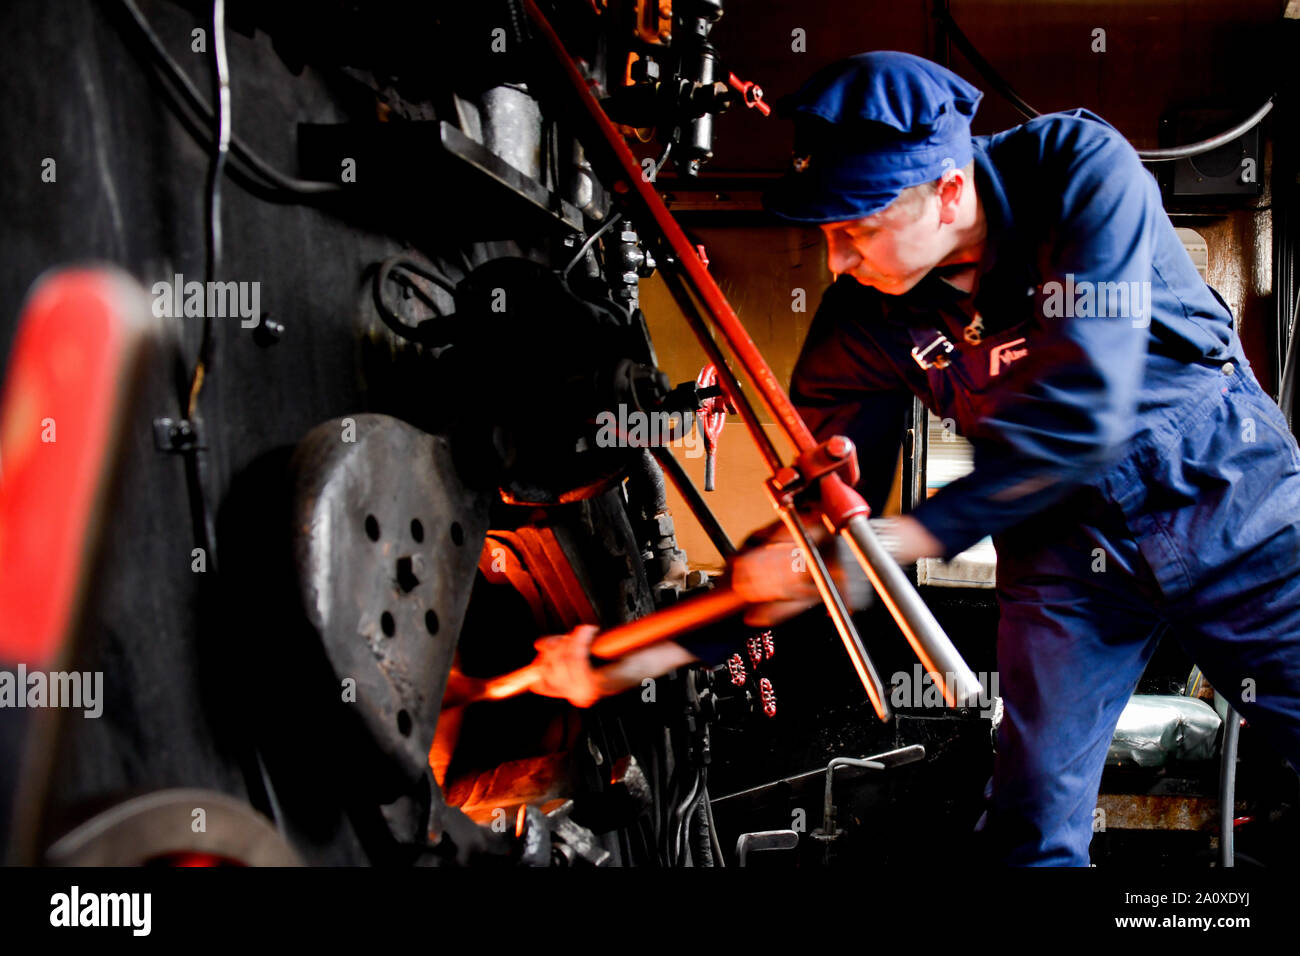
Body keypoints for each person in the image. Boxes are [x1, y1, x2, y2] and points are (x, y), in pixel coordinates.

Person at [763, 50, 1300, 865]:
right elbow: (828, 523)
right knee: (1028, 829)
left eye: (858, 227)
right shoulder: (860, 321)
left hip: (1229, 498)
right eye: (827, 232)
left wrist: (918, 533)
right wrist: (668, 637)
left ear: (947, 189)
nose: (836, 260)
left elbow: (1084, 414)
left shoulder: (1080, 170)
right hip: (1064, 554)